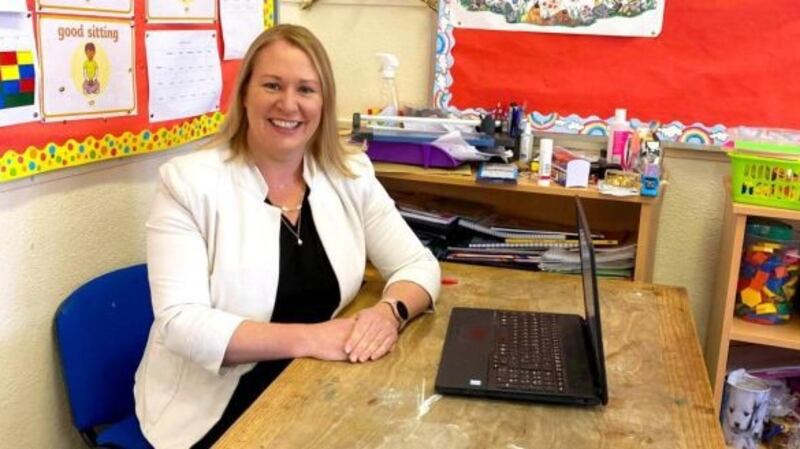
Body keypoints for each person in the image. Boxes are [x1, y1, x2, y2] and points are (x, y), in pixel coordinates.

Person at [133, 24, 441, 449]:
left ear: (324, 101)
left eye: (306, 90)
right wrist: (314, 338)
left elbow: (417, 264)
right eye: (272, 85)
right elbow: (181, 324)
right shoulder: (188, 184)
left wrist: (389, 313)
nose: (289, 104)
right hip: (215, 403)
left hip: (316, 379)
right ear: (244, 94)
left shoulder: (349, 175)